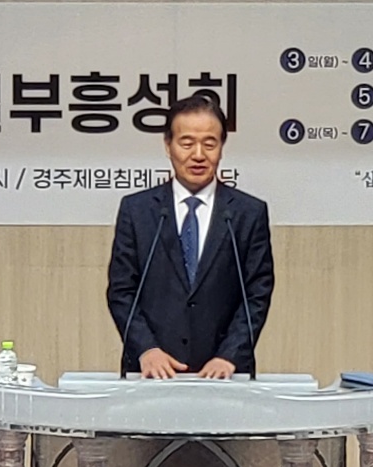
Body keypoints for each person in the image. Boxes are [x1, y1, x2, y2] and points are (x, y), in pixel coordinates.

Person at [107, 94, 274, 379]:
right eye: (186, 143)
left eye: (209, 144)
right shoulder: (137, 210)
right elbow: (122, 291)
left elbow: (257, 293)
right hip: (152, 372)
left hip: (225, 374)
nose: (198, 155)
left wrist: (230, 355)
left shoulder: (248, 213)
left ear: (222, 147)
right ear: (168, 145)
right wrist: (146, 349)